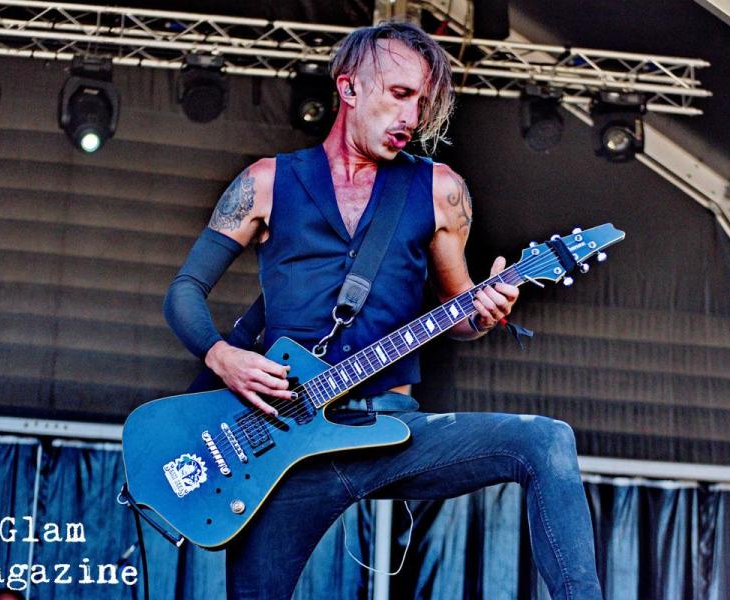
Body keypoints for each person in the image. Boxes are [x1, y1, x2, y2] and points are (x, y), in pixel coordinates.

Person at [164, 21, 602, 600]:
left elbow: (461, 315)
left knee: (546, 441)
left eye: (421, 102)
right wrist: (223, 357)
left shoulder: (440, 190)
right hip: (284, 445)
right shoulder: (266, 182)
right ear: (348, 88)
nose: (411, 117)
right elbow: (185, 290)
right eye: (399, 94)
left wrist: (488, 309)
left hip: (390, 431)